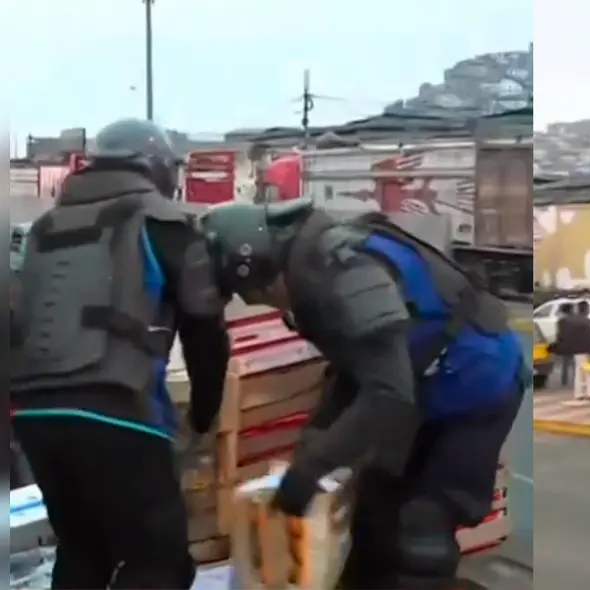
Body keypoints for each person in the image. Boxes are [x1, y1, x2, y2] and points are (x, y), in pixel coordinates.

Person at [198, 200, 525, 589]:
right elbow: (355, 370)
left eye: (264, 297)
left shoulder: (347, 275)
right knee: (371, 513)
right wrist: (312, 447)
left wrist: (313, 466)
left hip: (475, 384)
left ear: (265, 269)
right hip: (417, 381)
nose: (274, 306)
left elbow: (388, 393)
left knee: (421, 529)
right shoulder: (312, 271)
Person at [10, 119, 232, 589]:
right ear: (154, 166)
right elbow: (205, 330)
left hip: (33, 416)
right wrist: (206, 414)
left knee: (83, 552)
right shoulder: (163, 221)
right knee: (157, 560)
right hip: (119, 412)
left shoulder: (44, 229)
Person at [554, 301, 590, 401]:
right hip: (587, 349)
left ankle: (579, 394)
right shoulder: (586, 321)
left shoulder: (565, 321)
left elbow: (561, 336)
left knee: (579, 372)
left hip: (575, 350)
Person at [554, 302, 577, 387]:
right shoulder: (575, 319)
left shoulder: (561, 321)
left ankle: (564, 381)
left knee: (565, 363)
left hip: (565, 344)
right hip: (575, 343)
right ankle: (576, 379)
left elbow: (559, 334)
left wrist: (559, 343)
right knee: (575, 363)